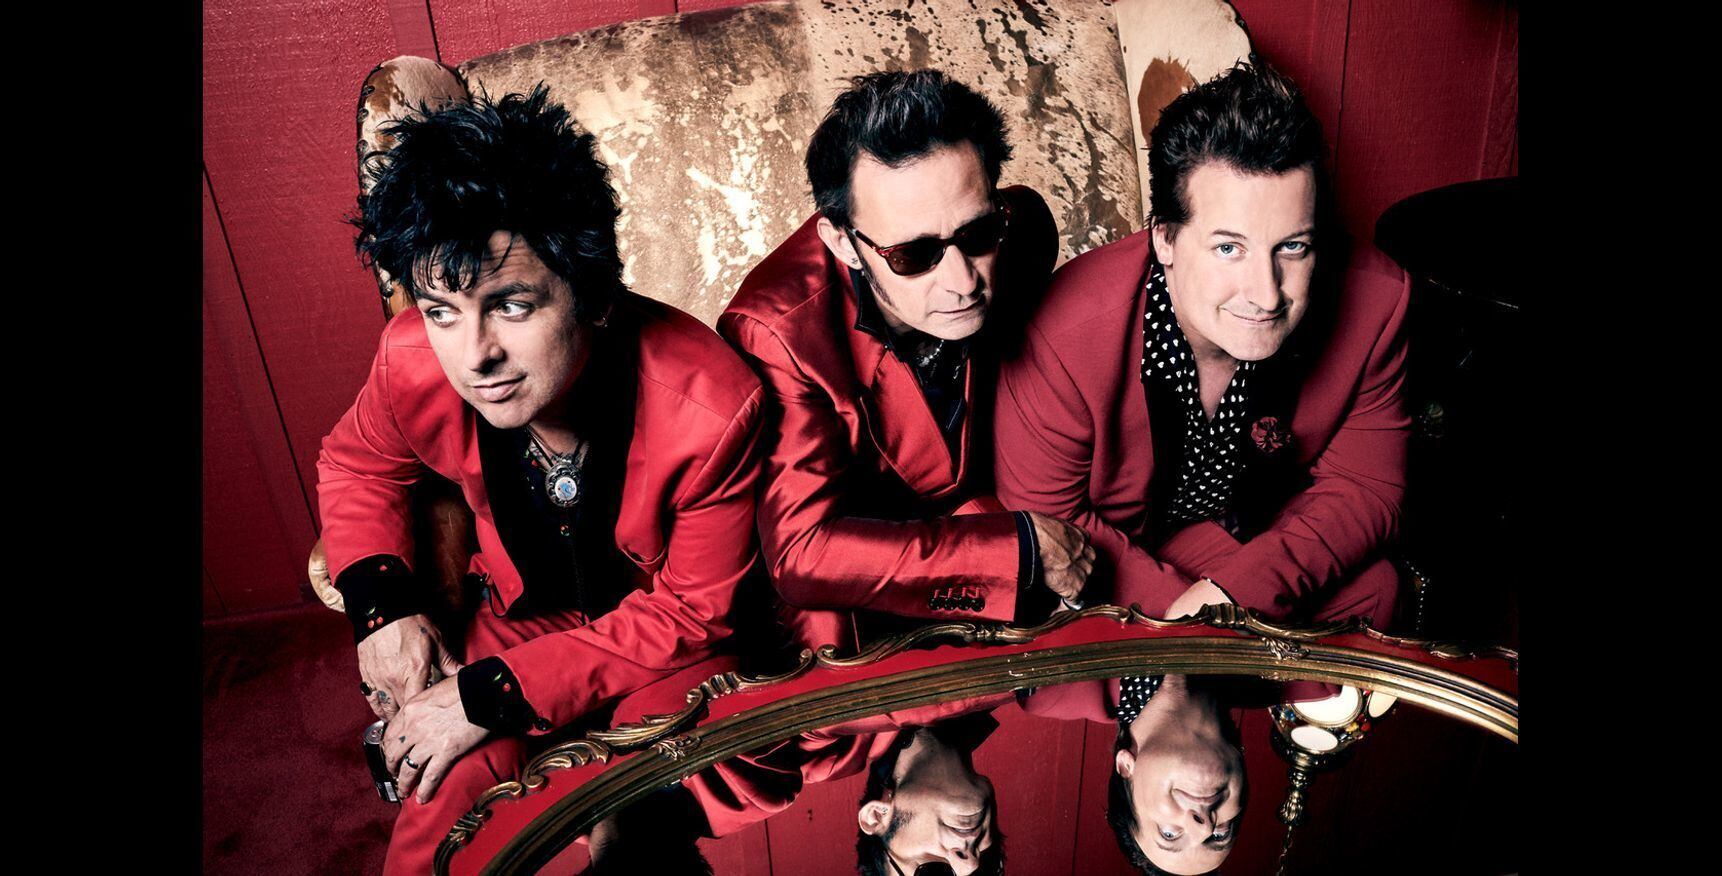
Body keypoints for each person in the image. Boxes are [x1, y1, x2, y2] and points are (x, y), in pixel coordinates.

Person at [320, 85, 767, 874]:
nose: (474, 356)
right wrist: (384, 611)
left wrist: (489, 697)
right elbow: (357, 464)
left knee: (639, 835)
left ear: (591, 294)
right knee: (435, 814)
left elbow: (693, 613)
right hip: (511, 621)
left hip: (661, 646)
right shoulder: (412, 359)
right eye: (442, 310)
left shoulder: (713, 406)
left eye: (512, 305)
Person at [992, 61, 1410, 627]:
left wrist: (1237, 593)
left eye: (1292, 247)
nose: (1266, 294)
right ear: (1164, 239)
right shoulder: (1064, 335)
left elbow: (1365, 487)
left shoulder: (1376, 301)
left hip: (1247, 540)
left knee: (1378, 589)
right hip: (1114, 562)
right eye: (1228, 249)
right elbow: (1050, 522)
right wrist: (1186, 628)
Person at [718, 69, 1095, 651]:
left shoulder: (1023, 232)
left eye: (977, 233)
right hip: (851, 584)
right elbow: (802, 554)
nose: (962, 282)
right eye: (914, 255)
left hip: (984, 513)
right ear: (842, 243)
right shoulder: (777, 333)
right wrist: (1016, 551)